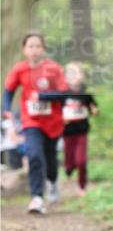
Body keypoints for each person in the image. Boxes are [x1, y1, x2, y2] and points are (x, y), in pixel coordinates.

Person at [2, 33, 68, 214]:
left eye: (38, 46)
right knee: (34, 155)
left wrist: (43, 96)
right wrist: (6, 109)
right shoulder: (19, 69)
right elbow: (8, 91)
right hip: (31, 121)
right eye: (30, 46)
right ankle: (37, 197)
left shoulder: (54, 69)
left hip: (53, 122)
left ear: (43, 49)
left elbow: (63, 93)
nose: (34, 50)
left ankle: (53, 182)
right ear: (24, 50)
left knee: (51, 160)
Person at [39, 62, 98, 195]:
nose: (73, 76)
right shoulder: (62, 94)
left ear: (82, 76)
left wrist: (94, 110)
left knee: (81, 161)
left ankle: (82, 187)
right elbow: (55, 109)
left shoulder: (86, 95)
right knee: (69, 161)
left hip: (82, 131)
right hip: (67, 132)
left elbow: (94, 107)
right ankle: (68, 168)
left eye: (76, 73)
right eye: (70, 74)